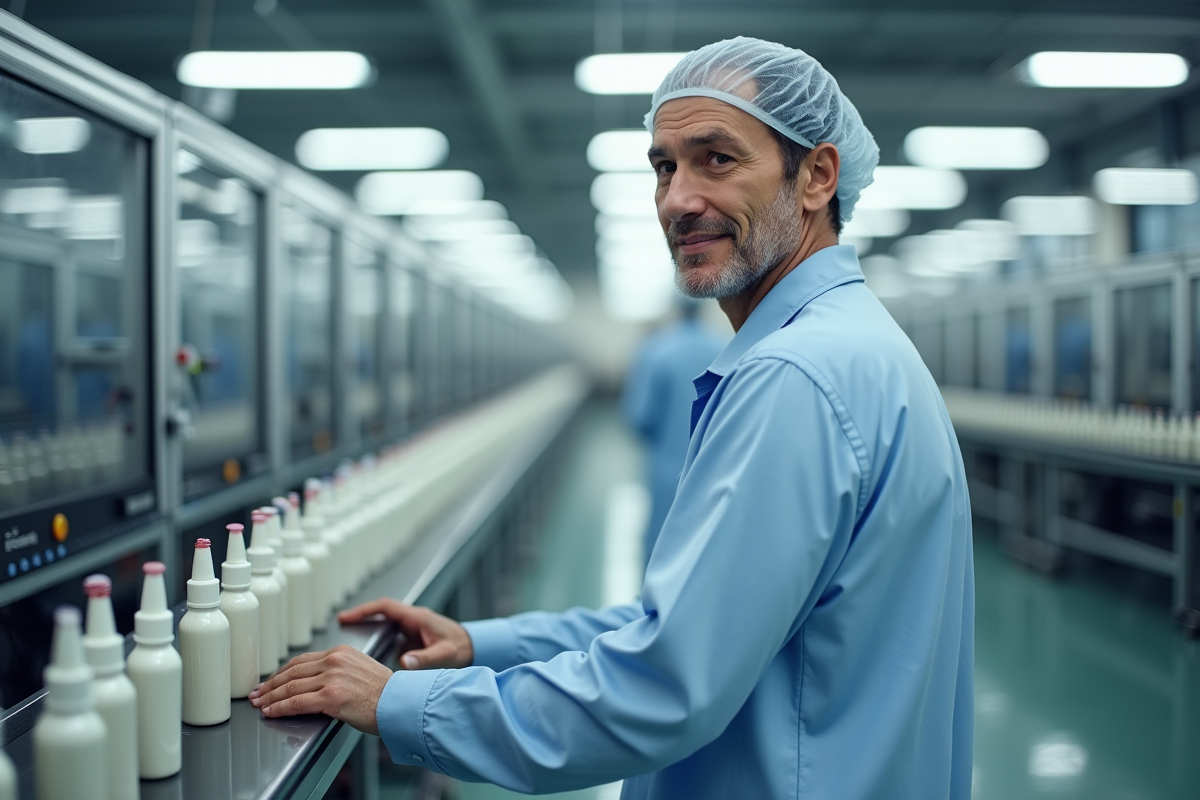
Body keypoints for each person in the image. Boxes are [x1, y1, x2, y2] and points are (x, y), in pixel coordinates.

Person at [250, 37, 974, 799]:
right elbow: (693, 624)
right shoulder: (855, 345)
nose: (678, 199)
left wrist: (396, 701)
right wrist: (482, 645)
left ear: (817, 176)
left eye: (717, 160)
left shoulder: (793, 377)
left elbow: (662, 690)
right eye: (664, 167)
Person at [620, 299, 727, 562]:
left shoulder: (657, 351)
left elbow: (639, 418)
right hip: (719, 471)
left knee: (663, 551)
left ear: (675, 309)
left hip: (667, 472)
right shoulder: (725, 347)